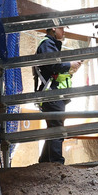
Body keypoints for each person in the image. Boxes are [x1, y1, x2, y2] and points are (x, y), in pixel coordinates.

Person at [34, 26, 81, 163]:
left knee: (53, 127)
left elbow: (53, 68)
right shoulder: (47, 43)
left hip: (53, 94)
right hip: (51, 94)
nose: (64, 31)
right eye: (62, 28)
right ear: (54, 28)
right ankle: (56, 163)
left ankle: (44, 162)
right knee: (57, 128)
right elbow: (53, 64)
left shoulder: (50, 44)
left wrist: (70, 68)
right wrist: (69, 64)